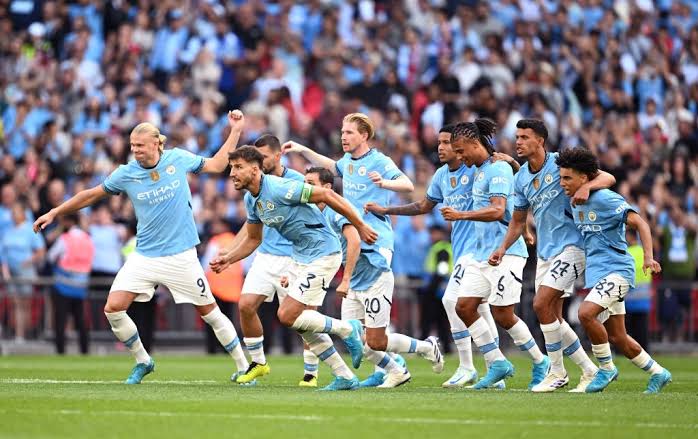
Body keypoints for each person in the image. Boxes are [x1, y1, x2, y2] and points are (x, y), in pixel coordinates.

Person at [33, 111, 251, 385]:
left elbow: (219, 164)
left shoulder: (177, 158)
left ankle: (244, 368)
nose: (135, 150)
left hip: (180, 256)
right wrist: (54, 212)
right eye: (132, 145)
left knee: (211, 313)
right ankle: (143, 361)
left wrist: (235, 130)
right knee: (113, 308)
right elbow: (91, 195)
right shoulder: (127, 173)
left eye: (140, 145)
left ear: (157, 144)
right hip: (145, 256)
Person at [283, 113, 444, 387]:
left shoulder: (379, 161)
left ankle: (427, 348)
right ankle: (394, 370)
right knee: (358, 338)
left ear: (364, 136)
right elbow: (330, 165)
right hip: (353, 247)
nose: (343, 137)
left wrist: (384, 183)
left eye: (349, 133)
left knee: (374, 337)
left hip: (376, 242)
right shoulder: (348, 163)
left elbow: (407, 184)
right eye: (342, 132)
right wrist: (302, 149)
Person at [209, 145, 374, 391]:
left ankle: (347, 328)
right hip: (300, 256)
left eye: (238, 167)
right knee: (301, 324)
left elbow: (328, 196)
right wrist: (230, 258)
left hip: (323, 253)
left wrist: (359, 225)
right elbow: (254, 239)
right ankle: (344, 375)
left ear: (255, 170)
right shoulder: (250, 199)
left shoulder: (280, 187)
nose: (232, 172)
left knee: (287, 315)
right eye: (232, 167)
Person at [489, 119, 614, 392]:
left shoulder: (561, 163)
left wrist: (586, 187)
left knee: (540, 304)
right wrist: (502, 248)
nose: (518, 141)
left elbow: (608, 177)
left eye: (524, 137)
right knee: (552, 317)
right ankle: (590, 369)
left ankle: (557, 372)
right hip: (546, 253)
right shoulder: (520, 178)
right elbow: (518, 221)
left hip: (573, 247)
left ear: (540, 141)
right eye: (517, 137)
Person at [556, 147, 672, 394]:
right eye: (561, 177)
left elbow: (640, 222)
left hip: (618, 270)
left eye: (567, 178)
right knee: (618, 337)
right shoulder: (574, 201)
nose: (562, 182)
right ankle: (658, 372)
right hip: (598, 274)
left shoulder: (606, 199)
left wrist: (648, 258)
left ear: (584, 178)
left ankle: (606, 368)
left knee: (586, 313)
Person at [447, 119, 548, 390]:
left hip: (507, 253)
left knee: (503, 314)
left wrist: (461, 215)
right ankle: (497, 362)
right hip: (483, 254)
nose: (459, 156)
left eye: (460, 150)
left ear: (473, 143)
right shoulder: (481, 169)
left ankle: (540, 361)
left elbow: (499, 210)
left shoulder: (498, 168)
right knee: (463, 307)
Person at [304, 166, 414, 388]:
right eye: (304, 182)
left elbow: (354, 241)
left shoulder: (336, 210)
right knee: (355, 337)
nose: (306, 188)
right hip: (355, 279)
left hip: (373, 272)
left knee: (374, 340)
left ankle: (423, 351)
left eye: (310, 183)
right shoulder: (315, 212)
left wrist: (344, 279)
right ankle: (394, 364)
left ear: (326, 187)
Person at [229, 134, 310, 385]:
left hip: (292, 257)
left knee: (300, 321)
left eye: (262, 157)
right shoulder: (252, 190)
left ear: (277, 155)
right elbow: (253, 226)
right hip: (265, 255)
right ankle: (258, 363)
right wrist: (230, 253)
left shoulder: (295, 180)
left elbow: (321, 206)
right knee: (245, 305)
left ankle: (312, 372)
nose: (259, 162)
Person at [47, 213, 94, 354]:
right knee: (81, 321)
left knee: (61, 321)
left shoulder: (64, 238)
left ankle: (61, 351)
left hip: (63, 285)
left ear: (67, 222)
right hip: (81, 286)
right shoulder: (88, 238)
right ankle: (84, 351)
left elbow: (50, 257)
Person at [1, 202, 45, 343]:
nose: (14, 215)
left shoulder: (29, 229)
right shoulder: (8, 231)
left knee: (24, 304)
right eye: (12, 212)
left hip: (25, 271)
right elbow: (2, 253)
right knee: (14, 303)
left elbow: (40, 251)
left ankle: (23, 334)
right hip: (10, 272)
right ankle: (17, 334)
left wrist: (27, 261)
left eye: (16, 212)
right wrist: (5, 269)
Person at [202, 218, 244, 355]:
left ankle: (212, 348)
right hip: (232, 288)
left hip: (215, 286)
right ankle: (229, 348)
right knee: (229, 320)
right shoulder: (235, 240)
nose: (214, 227)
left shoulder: (216, 241)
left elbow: (206, 263)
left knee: (213, 319)